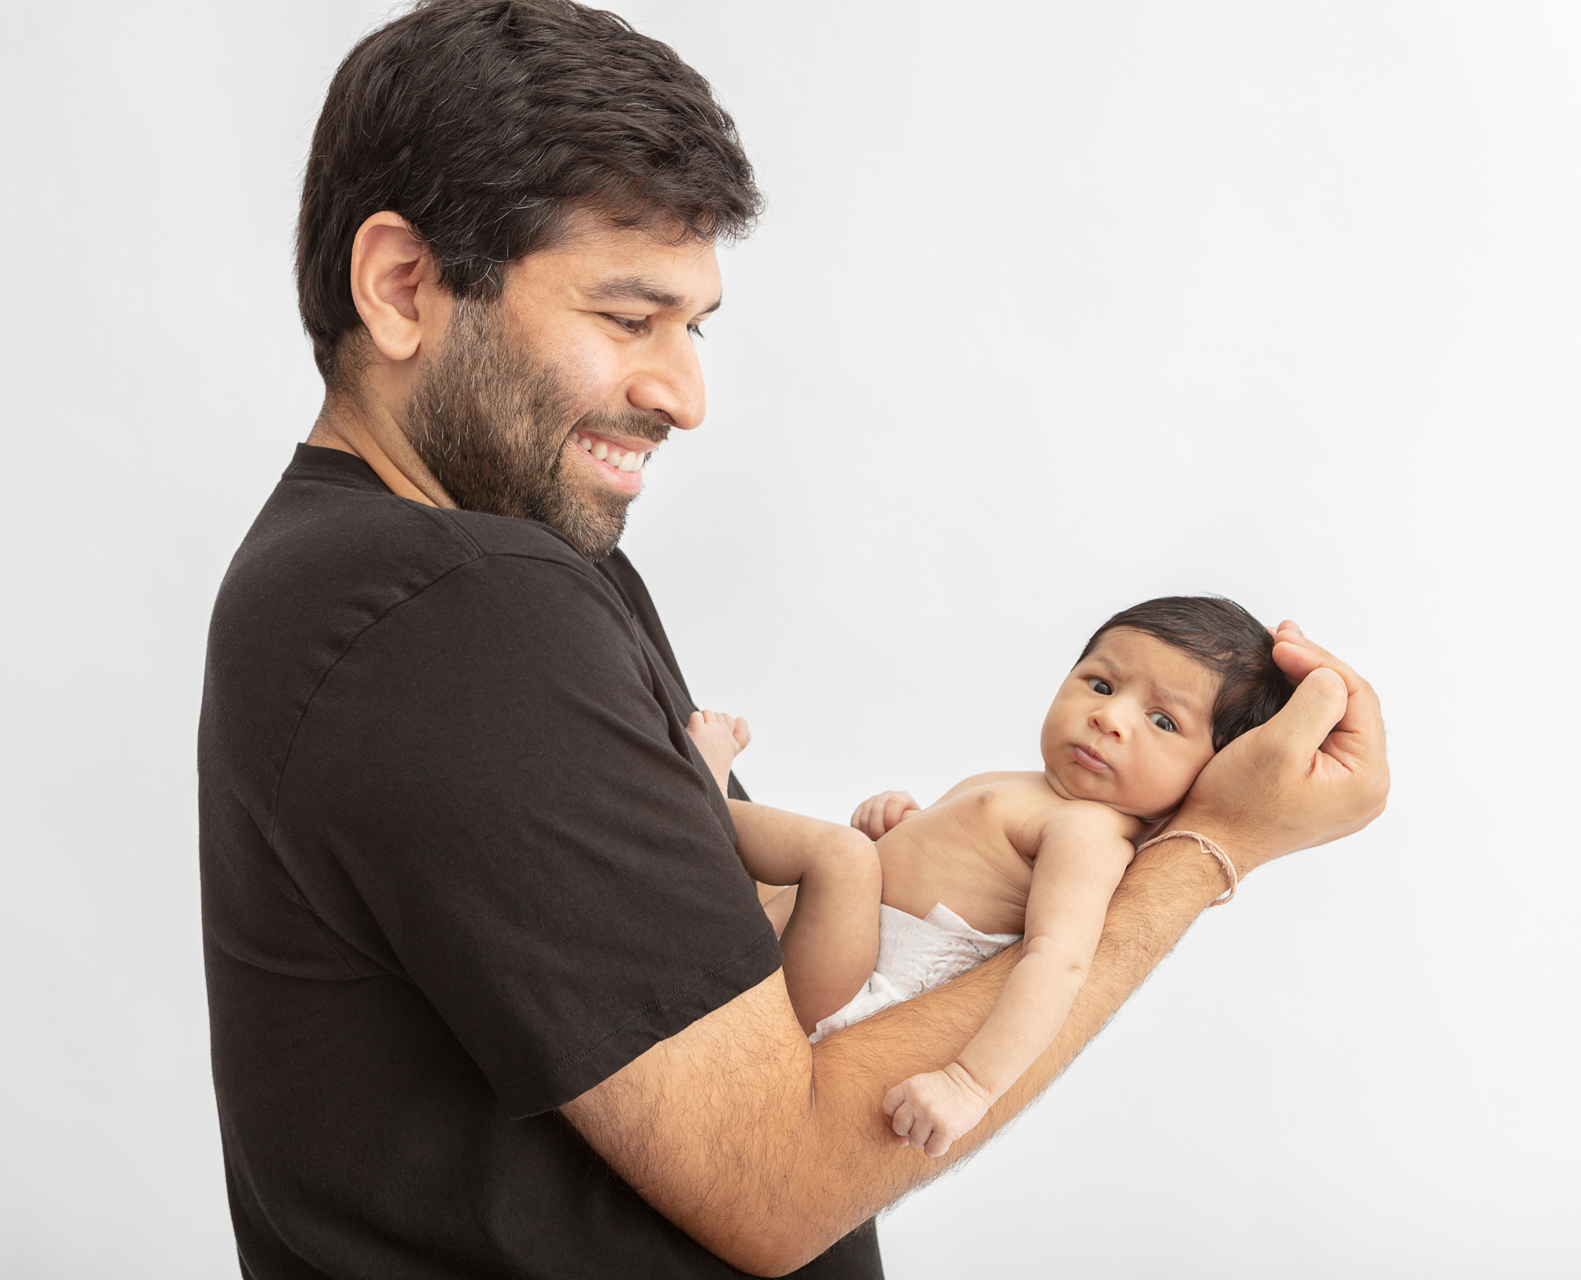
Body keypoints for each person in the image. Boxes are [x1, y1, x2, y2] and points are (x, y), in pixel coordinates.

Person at [196, 1, 1390, 1276]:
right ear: (402, 286)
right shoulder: (451, 606)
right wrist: (1209, 849)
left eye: (693, 327)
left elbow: (736, 977)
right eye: (627, 317)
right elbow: (776, 1173)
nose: (684, 394)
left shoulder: (461, 570)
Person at [685, 596, 1294, 1158]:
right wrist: (900, 824)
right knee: (843, 857)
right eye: (1101, 684)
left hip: (848, 995)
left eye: (1164, 722)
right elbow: (941, 872)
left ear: (1209, 775)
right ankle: (719, 840)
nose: (1110, 717)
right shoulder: (1032, 791)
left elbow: (1058, 962)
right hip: (818, 938)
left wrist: (967, 1083)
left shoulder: (1089, 835)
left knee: (840, 858)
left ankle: (702, 807)